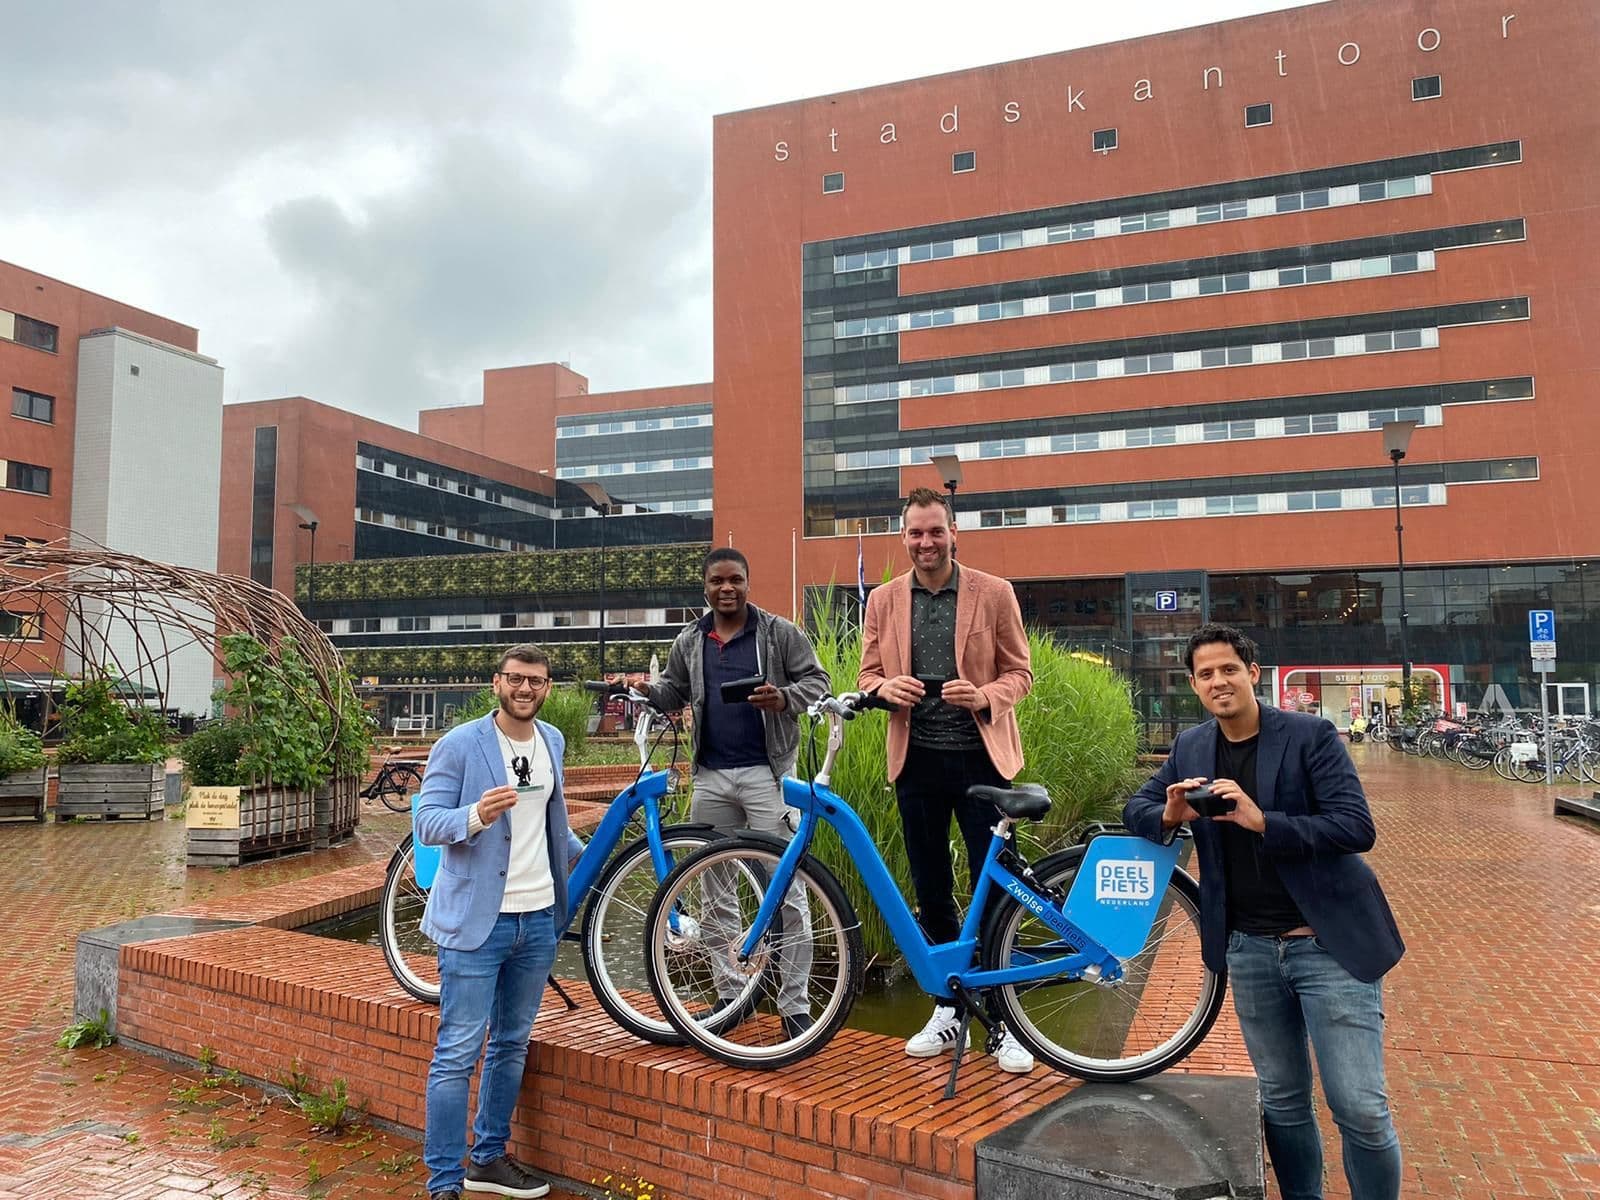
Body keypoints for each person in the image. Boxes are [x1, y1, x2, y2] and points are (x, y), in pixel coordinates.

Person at [1122, 623, 1404, 1200]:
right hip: (1249, 949)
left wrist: (1263, 821)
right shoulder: (1191, 746)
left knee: (1359, 1106)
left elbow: (1356, 827)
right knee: (1282, 1101)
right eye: (1205, 674)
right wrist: (1170, 813)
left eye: (1229, 669)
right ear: (1194, 685)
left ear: (1252, 673)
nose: (1218, 682)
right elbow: (1138, 806)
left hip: (1327, 946)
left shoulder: (1310, 736)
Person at [857, 486, 1035, 1072]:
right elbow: (867, 675)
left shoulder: (994, 592)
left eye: (936, 531)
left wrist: (983, 696)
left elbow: (1021, 674)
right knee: (930, 887)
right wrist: (885, 688)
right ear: (903, 537)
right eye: (916, 533)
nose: (926, 542)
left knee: (996, 891)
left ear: (953, 533)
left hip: (983, 763)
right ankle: (948, 1006)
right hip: (917, 762)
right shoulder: (883, 599)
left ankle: (1004, 1021)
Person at [622, 547, 831, 1036]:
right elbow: (674, 690)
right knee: (714, 891)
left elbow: (819, 682)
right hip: (711, 778)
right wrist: (646, 691)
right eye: (717, 581)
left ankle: (795, 1006)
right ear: (706, 587)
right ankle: (730, 997)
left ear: (747, 582)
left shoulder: (778, 632)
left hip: (768, 775)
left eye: (735, 579)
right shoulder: (690, 639)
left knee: (788, 889)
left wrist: (784, 698)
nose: (727, 588)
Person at [415, 645, 586, 1200]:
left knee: (511, 1043)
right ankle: (444, 1182)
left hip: (537, 921)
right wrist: (475, 815)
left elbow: (549, 822)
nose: (525, 688)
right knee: (457, 1054)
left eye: (535, 680)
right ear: (497, 683)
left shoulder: (552, 741)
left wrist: (588, 852)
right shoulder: (460, 744)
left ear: (547, 687)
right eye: (515, 679)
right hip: (477, 925)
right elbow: (427, 823)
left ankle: (488, 1159)